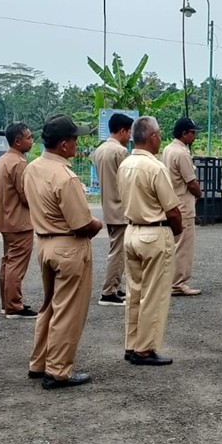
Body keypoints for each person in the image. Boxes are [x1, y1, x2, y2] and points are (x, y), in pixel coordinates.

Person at [22, 114, 103, 389]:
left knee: (49, 305)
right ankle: (58, 370)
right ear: (65, 144)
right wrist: (98, 224)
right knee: (68, 309)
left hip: (44, 242)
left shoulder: (32, 168)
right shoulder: (65, 176)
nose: (77, 144)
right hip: (68, 245)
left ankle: (40, 361)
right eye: (75, 139)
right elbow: (82, 224)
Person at [117, 116, 185, 366]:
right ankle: (145, 349)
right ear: (153, 137)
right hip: (154, 231)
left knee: (134, 292)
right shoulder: (155, 168)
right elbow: (173, 209)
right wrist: (176, 231)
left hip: (132, 230)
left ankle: (132, 343)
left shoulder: (125, 164)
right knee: (154, 295)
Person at [0, 121, 39, 319]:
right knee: (16, 264)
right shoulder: (19, 163)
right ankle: (14, 305)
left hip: (5, 218)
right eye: (29, 138)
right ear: (18, 141)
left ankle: (7, 302)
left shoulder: (4, 159)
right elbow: (25, 195)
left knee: (8, 261)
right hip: (19, 221)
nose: (32, 141)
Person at [91, 113, 135, 306]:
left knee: (116, 249)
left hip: (108, 206)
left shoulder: (100, 150)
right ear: (123, 130)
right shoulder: (120, 152)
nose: (130, 136)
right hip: (120, 207)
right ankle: (108, 292)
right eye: (129, 131)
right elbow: (128, 180)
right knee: (118, 252)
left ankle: (114, 286)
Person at [163, 118, 205, 297]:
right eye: (192, 132)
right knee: (184, 245)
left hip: (171, 201)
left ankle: (169, 280)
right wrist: (200, 193)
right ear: (184, 133)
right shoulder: (182, 154)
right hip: (184, 204)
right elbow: (191, 182)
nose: (194, 136)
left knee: (173, 244)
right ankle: (178, 283)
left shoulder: (167, 150)